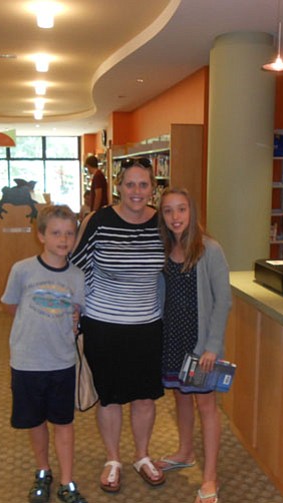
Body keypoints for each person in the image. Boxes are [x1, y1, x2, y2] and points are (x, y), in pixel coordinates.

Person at [71, 157, 166, 493]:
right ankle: (113, 459)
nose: (136, 192)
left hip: (147, 325)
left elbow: (186, 257)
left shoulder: (163, 223)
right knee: (109, 397)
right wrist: (72, 308)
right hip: (103, 323)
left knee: (144, 397)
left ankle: (141, 455)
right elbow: (76, 265)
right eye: (130, 184)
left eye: (143, 185)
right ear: (119, 187)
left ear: (153, 188)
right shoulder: (99, 220)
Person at [1, 204, 88, 503]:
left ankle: (67, 481)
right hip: (27, 361)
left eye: (69, 234)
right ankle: (43, 470)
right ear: (41, 236)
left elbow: (77, 312)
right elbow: (11, 306)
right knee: (35, 421)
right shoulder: (22, 270)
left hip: (62, 361)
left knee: (63, 422)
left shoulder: (77, 276)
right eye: (55, 233)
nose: (63, 240)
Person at [154, 187, 232, 503]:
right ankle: (185, 452)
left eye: (181, 209)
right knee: (181, 398)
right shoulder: (163, 249)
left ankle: (210, 478)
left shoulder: (209, 250)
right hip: (172, 339)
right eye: (169, 210)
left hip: (200, 345)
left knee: (206, 405)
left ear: (192, 212)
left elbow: (223, 301)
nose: (175, 217)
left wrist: (212, 346)